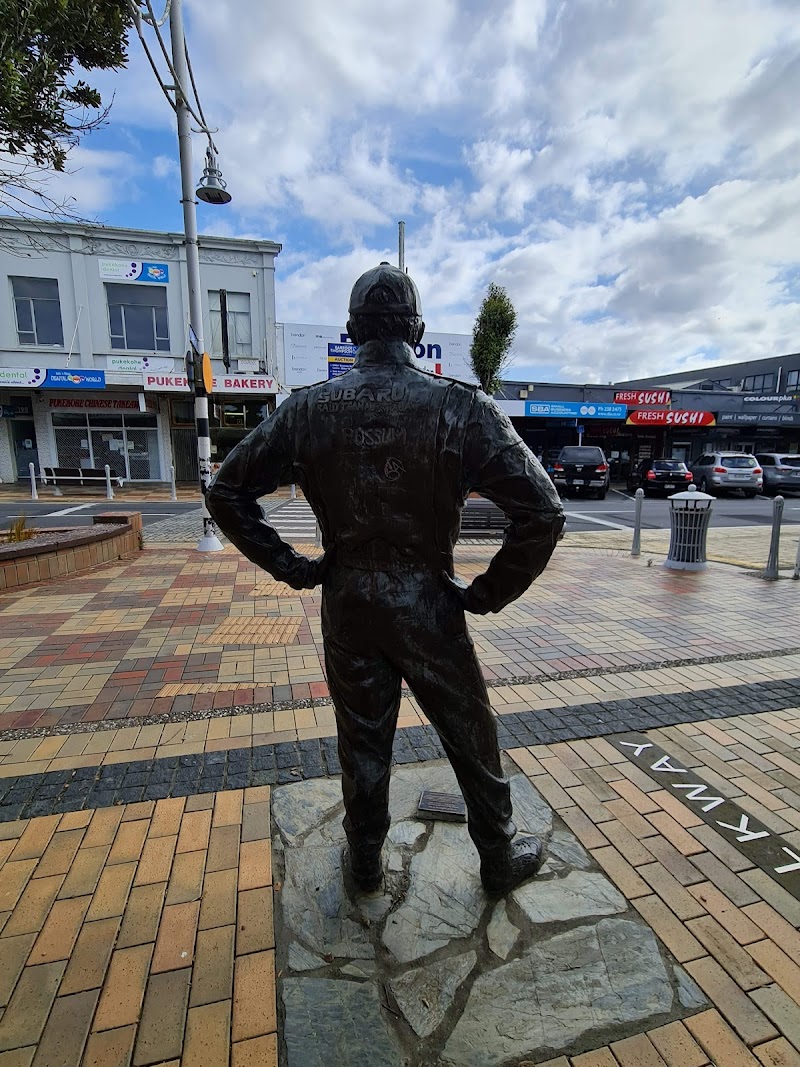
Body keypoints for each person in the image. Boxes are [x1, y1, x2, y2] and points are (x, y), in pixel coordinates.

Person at [206, 263, 565, 895]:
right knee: (469, 730)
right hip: (426, 598)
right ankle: (498, 854)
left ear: (351, 331)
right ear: (418, 330)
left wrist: (294, 567)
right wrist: (486, 593)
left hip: (348, 598)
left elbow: (226, 492)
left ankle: (366, 863)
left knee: (363, 738)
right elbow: (543, 510)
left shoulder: (306, 409)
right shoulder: (459, 406)